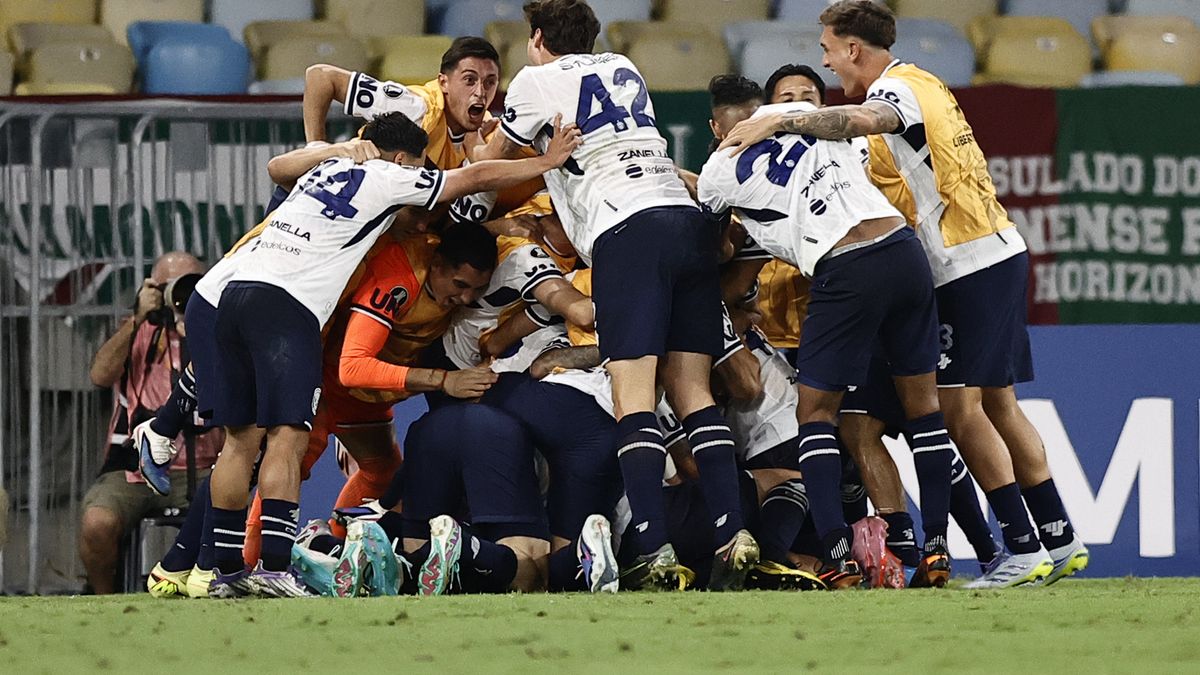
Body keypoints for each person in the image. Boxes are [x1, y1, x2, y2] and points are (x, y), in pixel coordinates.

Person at [719, 0, 1087, 588]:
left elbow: (865, 122)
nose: (828, 64)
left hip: (965, 262)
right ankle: (1060, 537)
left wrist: (776, 120)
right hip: (989, 253)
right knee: (997, 404)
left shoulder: (898, 92)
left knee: (962, 411)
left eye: (828, 52)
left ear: (853, 50)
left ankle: (1022, 548)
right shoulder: (919, 81)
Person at [203, 109, 581, 598]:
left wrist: (332, 147)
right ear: (403, 159)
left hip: (236, 290)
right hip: (308, 335)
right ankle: (270, 566)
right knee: (287, 446)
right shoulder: (391, 200)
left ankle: (237, 570)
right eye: (419, 164)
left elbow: (277, 167)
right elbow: (474, 177)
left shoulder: (325, 168)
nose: (464, 298)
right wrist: (547, 161)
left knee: (248, 446)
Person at [472, 0, 759, 592]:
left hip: (627, 230)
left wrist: (483, 147)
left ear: (536, 39)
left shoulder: (534, 80)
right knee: (694, 390)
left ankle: (652, 545)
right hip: (683, 218)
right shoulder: (624, 66)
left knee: (633, 392)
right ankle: (735, 534)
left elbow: (488, 161)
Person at [699, 87, 956, 587]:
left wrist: (731, 222)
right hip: (902, 250)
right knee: (925, 409)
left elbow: (714, 254)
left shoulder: (715, 173)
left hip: (846, 265)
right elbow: (853, 129)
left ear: (716, 129)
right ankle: (938, 548)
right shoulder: (793, 115)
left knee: (814, 413)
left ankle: (838, 554)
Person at [79, 252, 222, 595]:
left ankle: (218, 590)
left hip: (207, 466)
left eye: (190, 286)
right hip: (135, 469)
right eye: (168, 287)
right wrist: (139, 318)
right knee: (97, 523)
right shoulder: (138, 330)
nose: (180, 296)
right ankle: (104, 602)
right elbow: (99, 375)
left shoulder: (218, 330)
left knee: (238, 511)